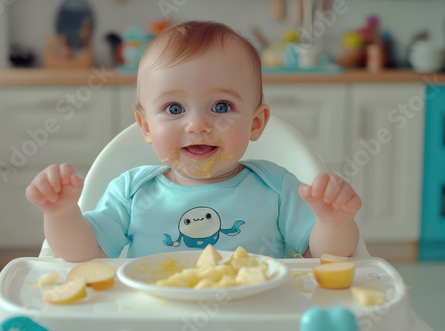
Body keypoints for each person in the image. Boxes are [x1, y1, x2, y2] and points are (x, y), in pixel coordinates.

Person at [26, 21, 361, 262]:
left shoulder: (277, 189)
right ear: (145, 125)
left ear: (255, 123)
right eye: (174, 108)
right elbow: (84, 254)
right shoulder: (132, 192)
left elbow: (327, 256)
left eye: (221, 107)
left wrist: (333, 223)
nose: (198, 124)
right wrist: (62, 215)